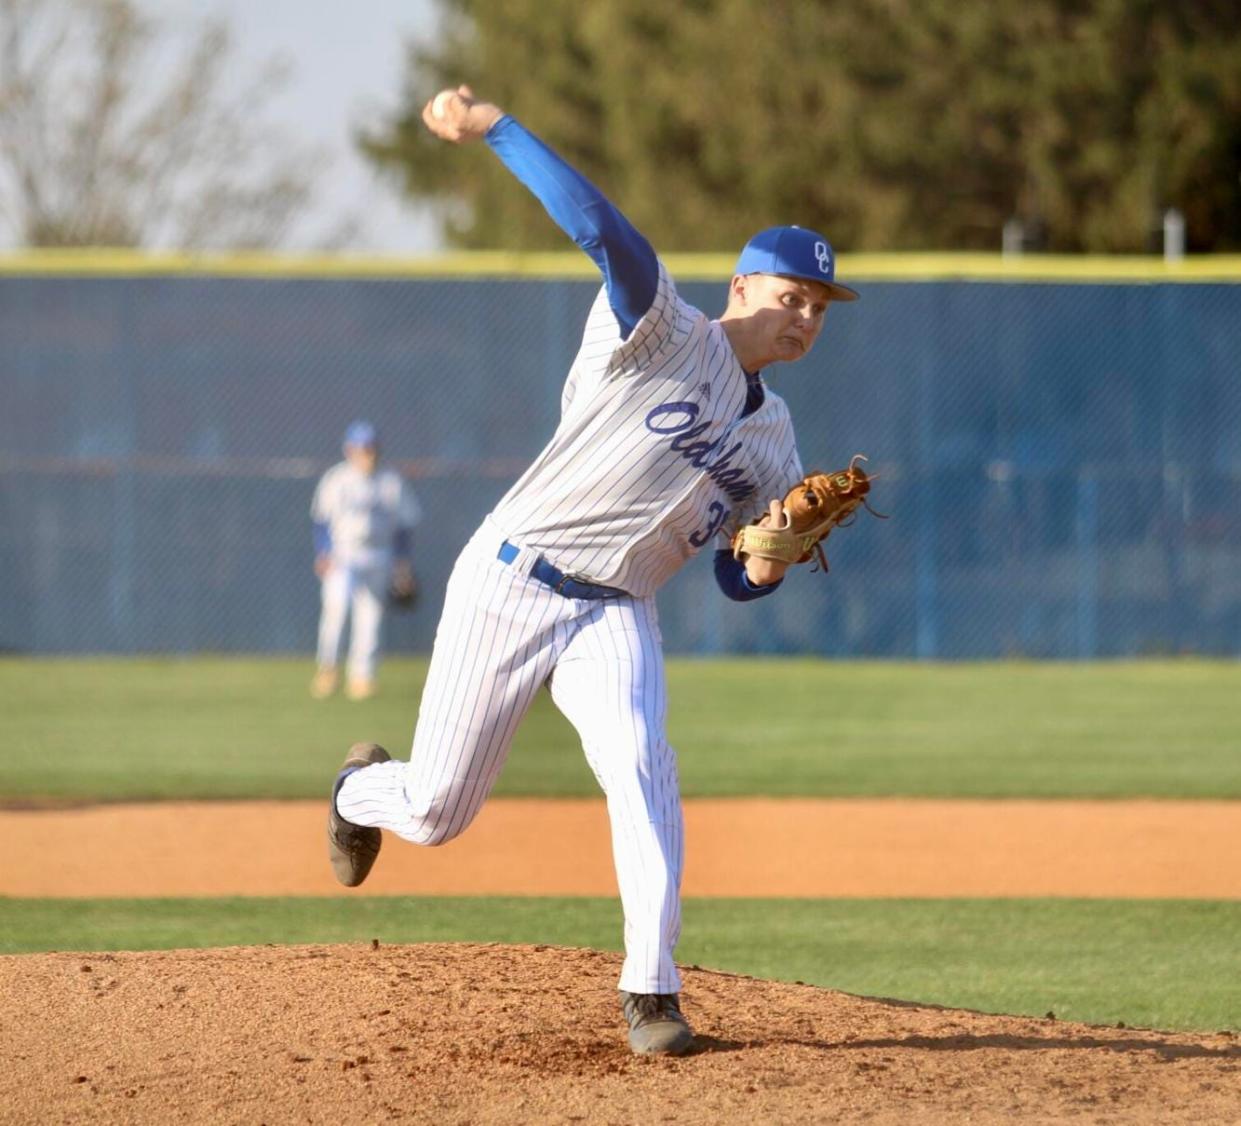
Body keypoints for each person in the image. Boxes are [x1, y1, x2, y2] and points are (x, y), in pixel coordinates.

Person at [326, 86, 858, 1055]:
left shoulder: (777, 444)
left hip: (614, 613)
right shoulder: (658, 328)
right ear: (740, 288)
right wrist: (494, 129)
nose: (804, 319)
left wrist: (769, 561)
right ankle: (357, 790)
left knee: (640, 761)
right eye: (790, 297)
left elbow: (736, 579)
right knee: (437, 809)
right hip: (511, 580)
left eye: (818, 308)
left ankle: (649, 992)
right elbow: (600, 228)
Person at [310, 420, 421, 701]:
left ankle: (362, 677)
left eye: (371, 447)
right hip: (343, 554)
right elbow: (321, 520)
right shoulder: (337, 479)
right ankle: (328, 670)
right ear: (349, 449)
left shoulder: (390, 482)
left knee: (370, 618)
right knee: (336, 609)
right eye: (362, 448)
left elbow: (404, 527)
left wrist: (403, 564)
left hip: (378, 555)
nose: (367, 453)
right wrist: (322, 552)